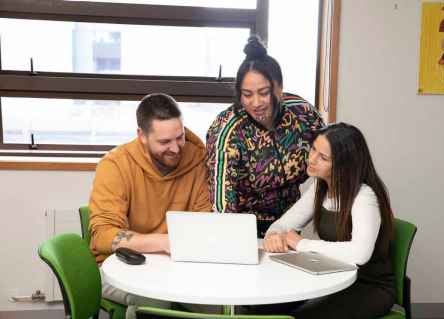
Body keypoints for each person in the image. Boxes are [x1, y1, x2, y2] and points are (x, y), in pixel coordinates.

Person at [88, 93, 212, 319]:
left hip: (177, 266)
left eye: (180, 137)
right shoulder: (115, 165)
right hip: (116, 267)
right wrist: (164, 242)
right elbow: (103, 237)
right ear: (142, 136)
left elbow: (204, 222)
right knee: (155, 298)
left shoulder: (197, 159)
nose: (175, 148)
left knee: (217, 302)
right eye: (164, 142)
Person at [262, 122, 395, 319]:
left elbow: (359, 254)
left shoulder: (364, 196)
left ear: (344, 166)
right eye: (313, 149)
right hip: (330, 276)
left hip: (368, 286)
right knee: (264, 307)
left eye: (323, 157)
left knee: (305, 316)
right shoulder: (320, 187)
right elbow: (284, 224)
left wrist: (301, 244)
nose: (312, 159)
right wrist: (274, 235)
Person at [206, 36, 324, 237]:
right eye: (247, 94)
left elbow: (332, 157)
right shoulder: (227, 130)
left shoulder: (303, 113)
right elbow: (222, 202)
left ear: (279, 89)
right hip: (243, 229)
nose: (256, 102)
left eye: (264, 92)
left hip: (290, 225)